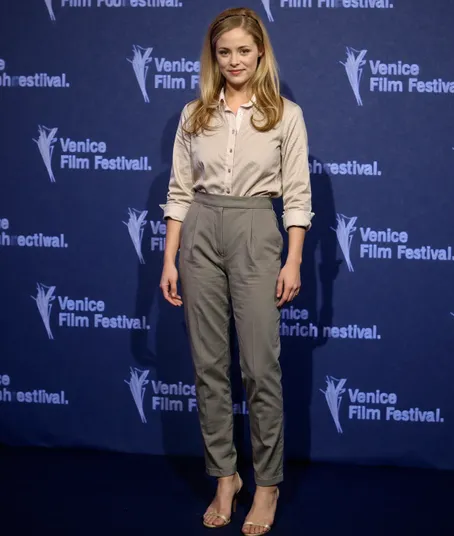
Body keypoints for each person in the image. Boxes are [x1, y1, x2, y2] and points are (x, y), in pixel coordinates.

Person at [159, 6, 313, 534]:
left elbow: (296, 196)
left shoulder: (285, 115)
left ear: (260, 53)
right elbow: (179, 191)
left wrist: (292, 260)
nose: (234, 60)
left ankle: (266, 484)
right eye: (224, 52)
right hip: (199, 230)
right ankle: (225, 476)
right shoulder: (193, 114)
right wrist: (170, 258)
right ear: (214, 56)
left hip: (255, 230)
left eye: (243, 50)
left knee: (259, 368)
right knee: (208, 367)